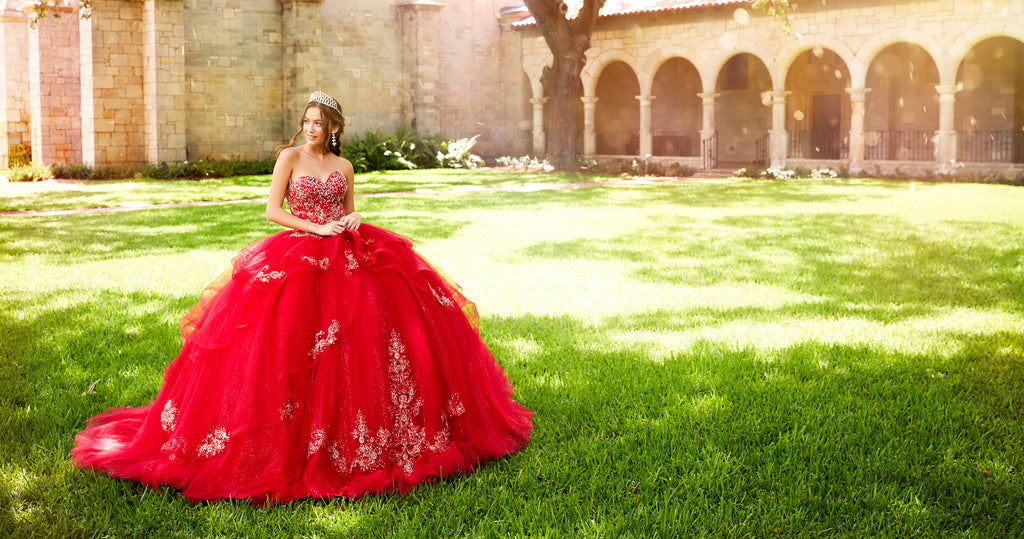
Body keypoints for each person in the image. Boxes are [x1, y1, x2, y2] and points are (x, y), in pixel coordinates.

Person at [71, 90, 533, 505]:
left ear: (333, 129)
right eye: (307, 121)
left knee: (370, 338)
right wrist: (317, 227)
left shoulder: (345, 166)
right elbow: (274, 211)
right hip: (300, 252)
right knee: (285, 344)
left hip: (348, 252)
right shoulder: (289, 157)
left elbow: (349, 210)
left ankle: (363, 439)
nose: (311, 129)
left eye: (319, 123)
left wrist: (351, 221)